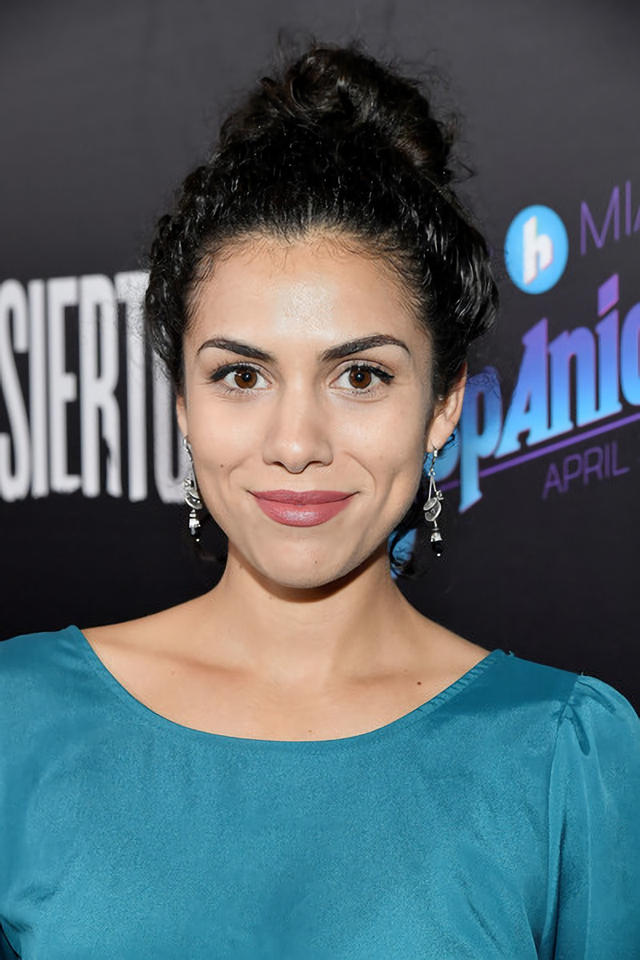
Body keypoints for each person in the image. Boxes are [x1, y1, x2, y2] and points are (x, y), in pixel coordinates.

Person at [1, 41, 639, 960]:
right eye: (241, 375)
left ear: (444, 403)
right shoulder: (19, 721)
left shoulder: (564, 758)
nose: (296, 443)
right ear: (182, 403)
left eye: (361, 376)